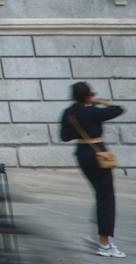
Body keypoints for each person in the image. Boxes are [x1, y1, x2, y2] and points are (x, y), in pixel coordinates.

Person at [62, 81, 126, 256]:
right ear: (88, 96)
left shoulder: (69, 113)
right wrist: (103, 103)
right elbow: (119, 110)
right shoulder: (93, 112)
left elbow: (65, 136)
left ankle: (97, 234)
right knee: (106, 198)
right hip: (98, 155)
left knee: (100, 193)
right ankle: (105, 243)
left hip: (82, 154)